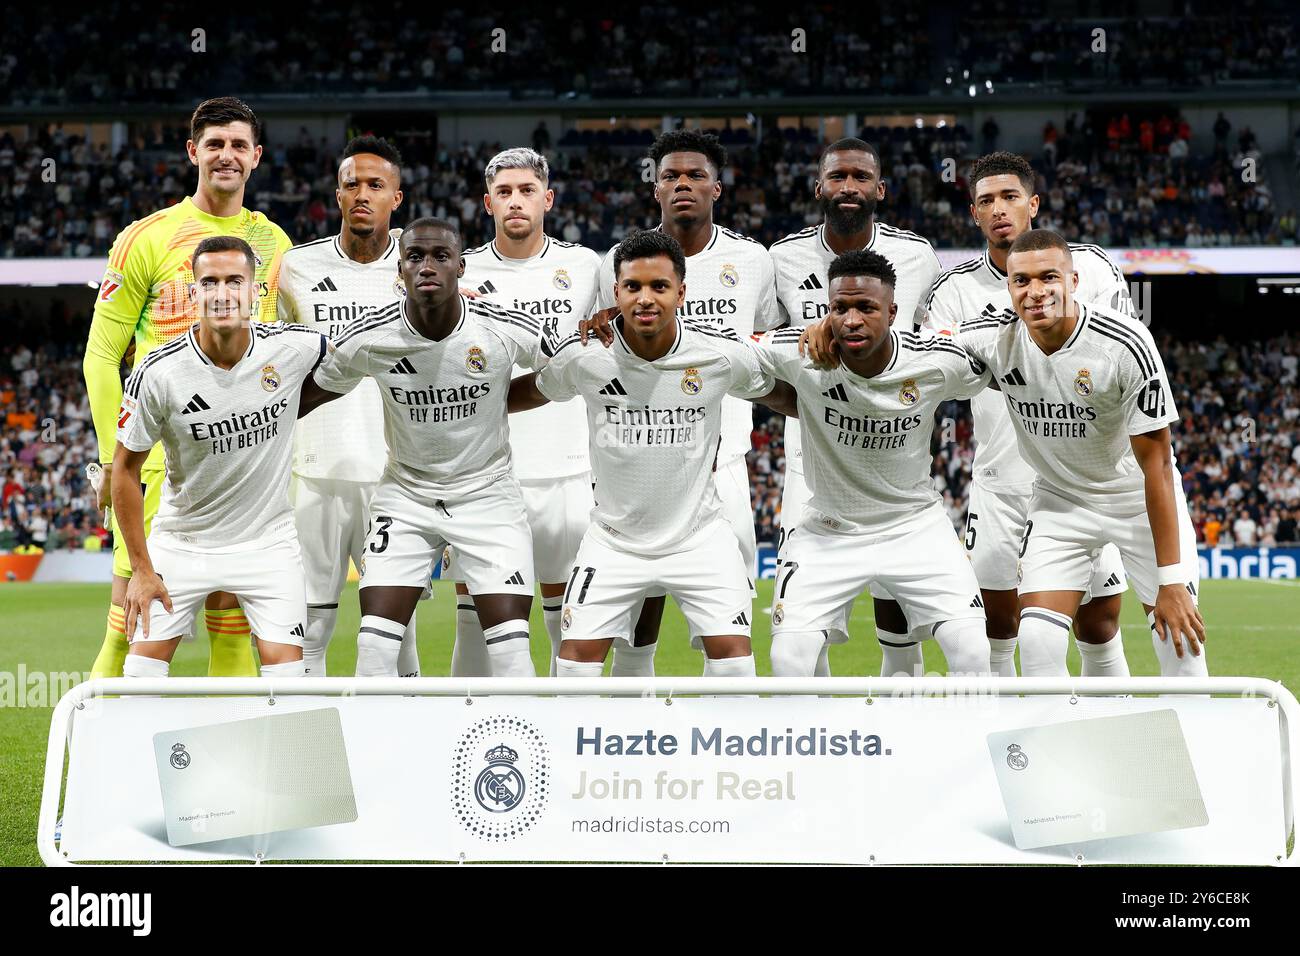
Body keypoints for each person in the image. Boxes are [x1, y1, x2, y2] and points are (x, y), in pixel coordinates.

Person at [510, 231, 792, 678]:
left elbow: (784, 396)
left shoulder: (718, 355)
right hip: (613, 541)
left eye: (659, 287)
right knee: (572, 671)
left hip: (699, 538)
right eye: (633, 287)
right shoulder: (585, 356)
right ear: (614, 292)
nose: (645, 298)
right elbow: (527, 391)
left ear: (681, 292)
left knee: (736, 667)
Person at [83, 96, 292, 680]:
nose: (226, 155)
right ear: (193, 151)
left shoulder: (275, 244)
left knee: (232, 628)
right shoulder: (146, 238)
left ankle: (232, 769)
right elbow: (101, 357)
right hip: (157, 462)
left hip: (241, 462)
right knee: (130, 625)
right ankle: (100, 763)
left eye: (238, 145)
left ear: (256, 157)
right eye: (215, 143)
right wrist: (110, 460)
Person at [299, 219, 552, 678]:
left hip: (488, 496)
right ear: (400, 270)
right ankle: (387, 750)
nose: (427, 266)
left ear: (461, 266)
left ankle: (516, 751)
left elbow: (567, 373)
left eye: (440, 256)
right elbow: (308, 396)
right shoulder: (371, 336)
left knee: (513, 654)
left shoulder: (502, 328)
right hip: (406, 497)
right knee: (374, 651)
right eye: (415, 257)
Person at [919, 152, 1135, 677]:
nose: (999, 209)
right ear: (973, 213)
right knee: (999, 622)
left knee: (1099, 623)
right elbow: (933, 371)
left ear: (1033, 203)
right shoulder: (953, 291)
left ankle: (1104, 729)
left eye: (1010, 196)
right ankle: (1007, 744)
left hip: (1083, 479)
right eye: (986, 200)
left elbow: (1119, 359)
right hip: (1000, 481)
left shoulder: (1090, 267)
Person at [956, 230, 1205, 677]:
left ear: (1072, 280)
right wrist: (830, 331)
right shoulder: (993, 337)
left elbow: (1159, 468)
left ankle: (1194, 744)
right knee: (1037, 644)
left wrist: (1171, 581)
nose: (1035, 292)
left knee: (1179, 644)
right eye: (1021, 281)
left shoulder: (1125, 345)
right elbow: (918, 348)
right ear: (1008, 287)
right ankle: (1058, 746)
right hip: (1059, 502)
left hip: (1134, 502)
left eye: (1048, 277)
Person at [593, 129, 781, 676]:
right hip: (640, 457)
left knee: (726, 629)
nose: (682, 184)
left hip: (723, 465)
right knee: (636, 620)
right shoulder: (619, 261)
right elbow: (597, 342)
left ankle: (714, 744)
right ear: (654, 187)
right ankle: (631, 744)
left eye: (695, 175)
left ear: (717, 188)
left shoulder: (752, 260)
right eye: (670, 175)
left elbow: (763, 342)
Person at [754, 250, 991, 677]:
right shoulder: (800, 353)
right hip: (829, 529)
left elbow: (994, 348)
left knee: (973, 650)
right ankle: (823, 742)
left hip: (915, 526)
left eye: (866, 307)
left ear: (893, 312)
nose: (851, 320)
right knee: (788, 660)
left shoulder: (933, 360)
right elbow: (728, 350)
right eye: (839, 308)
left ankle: (956, 742)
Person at [113, 236, 325, 679]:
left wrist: (441, 300)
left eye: (235, 281)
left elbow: (364, 338)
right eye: (209, 282)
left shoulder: (293, 349)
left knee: (288, 681)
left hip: (268, 543)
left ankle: (272, 751)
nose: (223, 294)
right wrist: (142, 569)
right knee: (140, 679)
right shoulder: (157, 372)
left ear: (254, 293)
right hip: (182, 544)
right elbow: (124, 471)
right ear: (193, 293)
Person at [769, 137, 942, 675]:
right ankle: (821, 741)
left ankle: (898, 741)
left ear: (880, 189)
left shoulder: (918, 257)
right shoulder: (782, 258)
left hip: (897, 460)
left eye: (860, 178)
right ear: (819, 186)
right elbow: (765, 358)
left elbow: (934, 351)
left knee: (900, 617)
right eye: (838, 177)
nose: (849, 187)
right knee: (801, 627)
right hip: (813, 461)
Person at [449, 147, 602, 677]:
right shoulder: (460, 271)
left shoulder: (585, 266)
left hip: (568, 468)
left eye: (527, 191)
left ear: (548, 199)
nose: (516, 201)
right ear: (487, 202)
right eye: (504, 192)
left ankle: (563, 739)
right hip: (488, 473)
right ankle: (466, 737)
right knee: (479, 618)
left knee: (570, 620)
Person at [277, 134, 419, 677]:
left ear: (396, 199)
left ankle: (406, 742)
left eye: (376, 185)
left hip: (397, 477)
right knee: (311, 625)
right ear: (336, 195)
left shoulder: (422, 265)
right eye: (351, 184)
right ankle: (307, 741)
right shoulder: (297, 268)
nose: (363, 193)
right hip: (314, 471)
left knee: (395, 629)